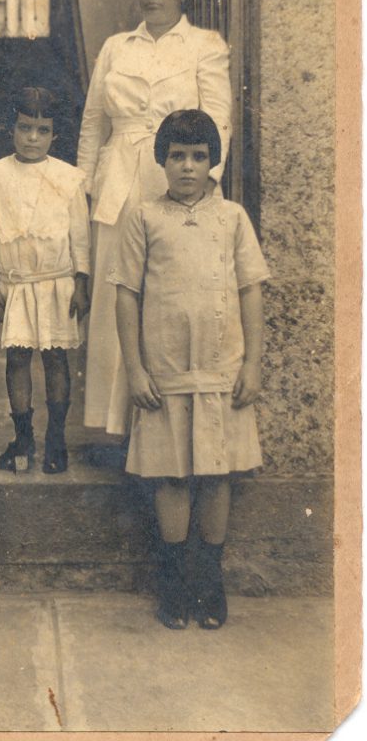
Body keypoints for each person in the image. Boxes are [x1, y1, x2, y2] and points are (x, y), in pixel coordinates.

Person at [113, 111, 268, 629]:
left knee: (216, 475)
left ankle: (209, 579)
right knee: (172, 475)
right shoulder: (144, 217)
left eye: (198, 157)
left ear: (212, 163)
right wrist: (136, 370)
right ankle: (175, 579)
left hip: (222, 371)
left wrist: (252, 364)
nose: (187, 167)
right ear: (162, 160)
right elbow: (126, 296)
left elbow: (250, 291)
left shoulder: (233, 218)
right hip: (166, 373)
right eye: (177, 156)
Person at [77, 0, 232, 438]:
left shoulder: (205, 46)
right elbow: (93, 124)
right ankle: (117, 428)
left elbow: (219, 123)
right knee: (117, 298)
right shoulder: (116, 47)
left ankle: (170, 427)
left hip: (177, 181)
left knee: (170, 297)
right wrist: (82, 190)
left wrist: (201, 188)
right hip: (119, 185)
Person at [0, 87, 91, 474]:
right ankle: (23, 436)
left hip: (57, 283)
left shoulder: (68, 179)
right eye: (25, 128)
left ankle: (56, 438)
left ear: (54, 134)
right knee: (17, 358)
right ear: (11, 129)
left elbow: (80, 236)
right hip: (16, 284)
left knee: (56, 358)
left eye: (42, 131)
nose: (32, 138)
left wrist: (81, 281)